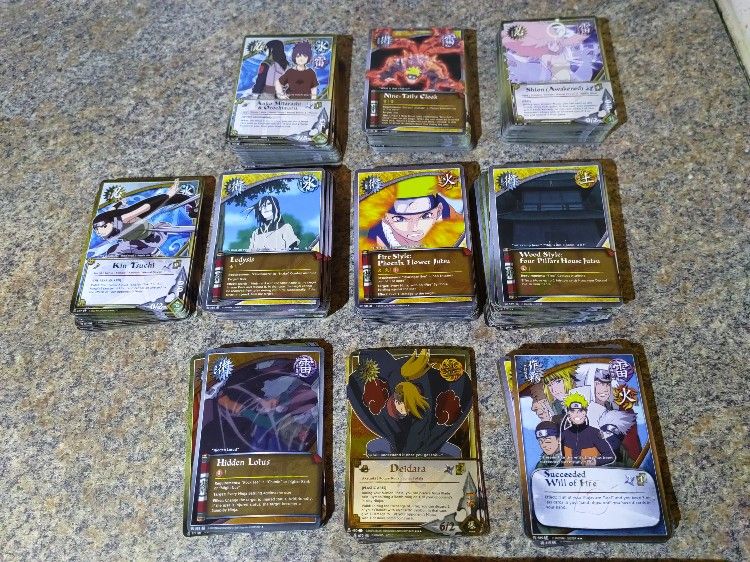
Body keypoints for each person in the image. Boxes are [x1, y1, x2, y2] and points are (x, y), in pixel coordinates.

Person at [92, 178, 196, 256]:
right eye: (97, 230)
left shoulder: (123, 219)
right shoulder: (110, 219)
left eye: (103, 227)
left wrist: (167, 196)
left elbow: (145, 208)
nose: (100, 232)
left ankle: (153, 253)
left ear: (110, 223)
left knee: (113, 251)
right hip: (137, 241)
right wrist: (120, 203)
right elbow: (113, 209)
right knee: (113, 251)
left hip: (149, 239)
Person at [359, 174, 465, 250]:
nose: (414, 228)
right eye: (400, 219)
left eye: (426, 216)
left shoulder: (449, 219)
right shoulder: (376, 238)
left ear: (438, 211)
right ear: (385, 218)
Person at [560, 393, 615, 467]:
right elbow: (563, 458)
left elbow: (610, 455)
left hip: (590, 473)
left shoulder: (595, 433)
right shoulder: (564, 434)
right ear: (568, 414)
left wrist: (595, 461)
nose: (577, 414)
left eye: (580, 411)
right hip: (569, 473)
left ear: (585, 413)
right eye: (573, 411)